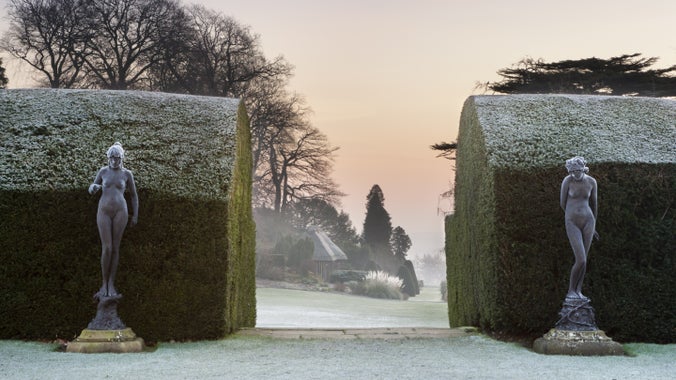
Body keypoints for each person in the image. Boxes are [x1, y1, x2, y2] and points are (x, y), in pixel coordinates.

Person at [89, 142, 138, 300]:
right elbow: (92, 187)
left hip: (120, 212)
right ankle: (104, 283)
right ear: (108, 157)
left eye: (117, 158)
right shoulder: (103, 171)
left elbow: (133, 196)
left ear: (121, 158)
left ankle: (111, 283)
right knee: (107, 247)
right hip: (103, 210)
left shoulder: (127, 174)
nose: (114, 161)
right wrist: (93, 188)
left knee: (115, 247)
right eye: (111, 157)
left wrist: (135, 215)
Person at [560, 156, 598, 300]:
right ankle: (571, 290)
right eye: (572, 171)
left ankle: (579, 291)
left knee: (585, 260)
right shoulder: (567, 181)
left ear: (583, 169)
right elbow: (562, 203)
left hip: (589, 221)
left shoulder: (591, 182)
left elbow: (594, 205)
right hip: (572, 222)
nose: (575, 174)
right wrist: (571, 215)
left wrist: (594, 225)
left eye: (577, 171)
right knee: (580, 259)